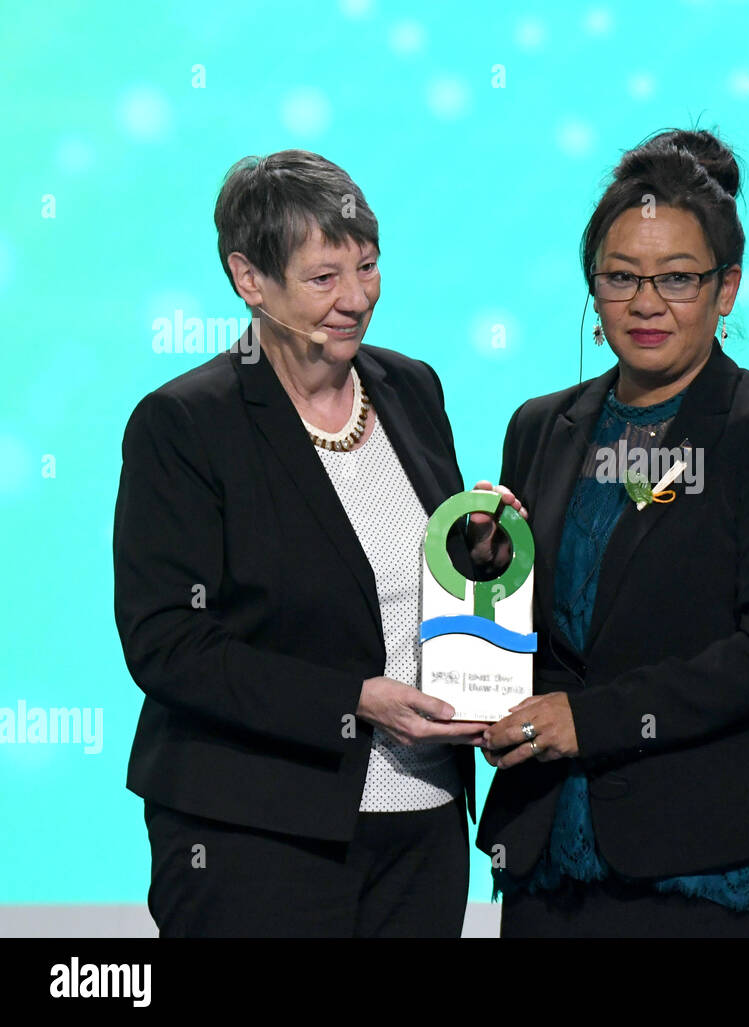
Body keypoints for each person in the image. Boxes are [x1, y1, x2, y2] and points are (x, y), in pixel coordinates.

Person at [113, 149, 506, 937]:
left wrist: (484, 551)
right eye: (325, 277)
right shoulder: (187, 424)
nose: (356, 299)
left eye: (368, 267)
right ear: (249, 279)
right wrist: (351, 701)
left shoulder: (411, 387)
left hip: (423, 828)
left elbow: (414, 588)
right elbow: (169, 643)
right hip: (257, 836)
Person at [474, 129, 749, 937]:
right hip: (543, 855)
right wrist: (485, 571)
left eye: (676, 279)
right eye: (621, 278)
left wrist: (590, 721)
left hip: (700, 861)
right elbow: (544, 628)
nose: (646, 304)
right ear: (592, 288)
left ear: (727, 287)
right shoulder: (541, 426)